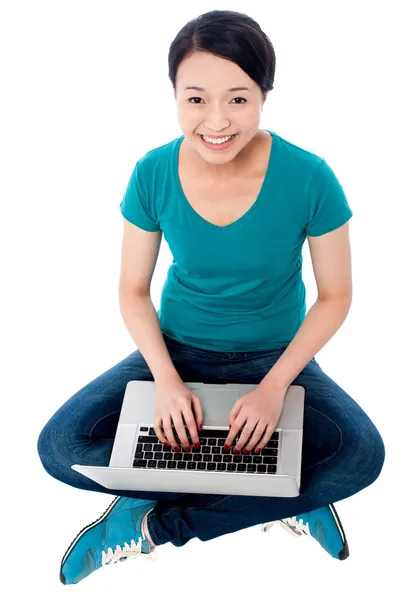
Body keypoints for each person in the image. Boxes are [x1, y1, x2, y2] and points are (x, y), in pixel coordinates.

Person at [37, 9, 385, 586]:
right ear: (174, 95)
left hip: (277, 360)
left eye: (238, 99)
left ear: (264, 96)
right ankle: (287, 489)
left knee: (360, 458)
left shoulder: (311, 177)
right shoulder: (151, 173)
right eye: (196, 99)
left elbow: (336, 296)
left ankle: (152, 523)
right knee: (61, 445)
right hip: (176, 353)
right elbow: (131, 290)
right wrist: (167, 382)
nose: (216, 121)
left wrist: (274, 388)